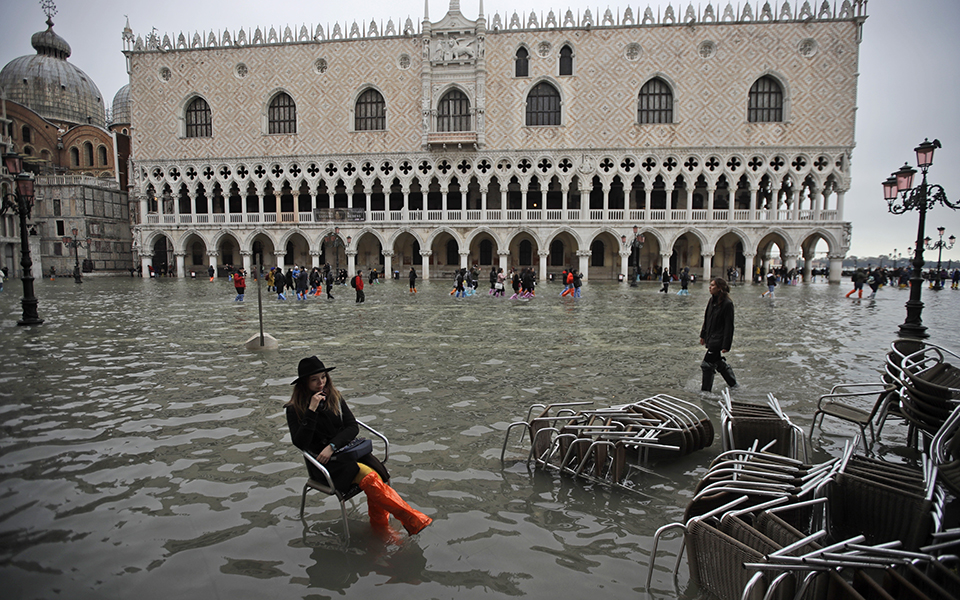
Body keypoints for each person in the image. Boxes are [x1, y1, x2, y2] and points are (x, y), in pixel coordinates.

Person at [285, 356, 431, 536]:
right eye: (314, 380)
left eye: (323, 377)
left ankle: (382, 528)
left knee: (376, 476)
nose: (321, 383)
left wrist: (332, 445)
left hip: (346, 453)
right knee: (370, 478)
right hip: (323, 464)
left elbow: (352, 426)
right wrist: (311, 411)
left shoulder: (334, 397)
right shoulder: (294, 409)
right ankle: (408, 521)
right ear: (303, 384)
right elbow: (300, 443)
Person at [699, 278, 737, 392]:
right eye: (710, 285)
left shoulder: (727, 304)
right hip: (710, 337)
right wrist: (703, 335)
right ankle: (733, 385)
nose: (709, 287)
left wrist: (726, 345)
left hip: (718, 340)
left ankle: (705, 391)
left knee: (707, 364)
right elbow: (706, 319)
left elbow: (729, 326)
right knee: (718, 362)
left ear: (719, 288)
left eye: (712, 285)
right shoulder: (711, 301)